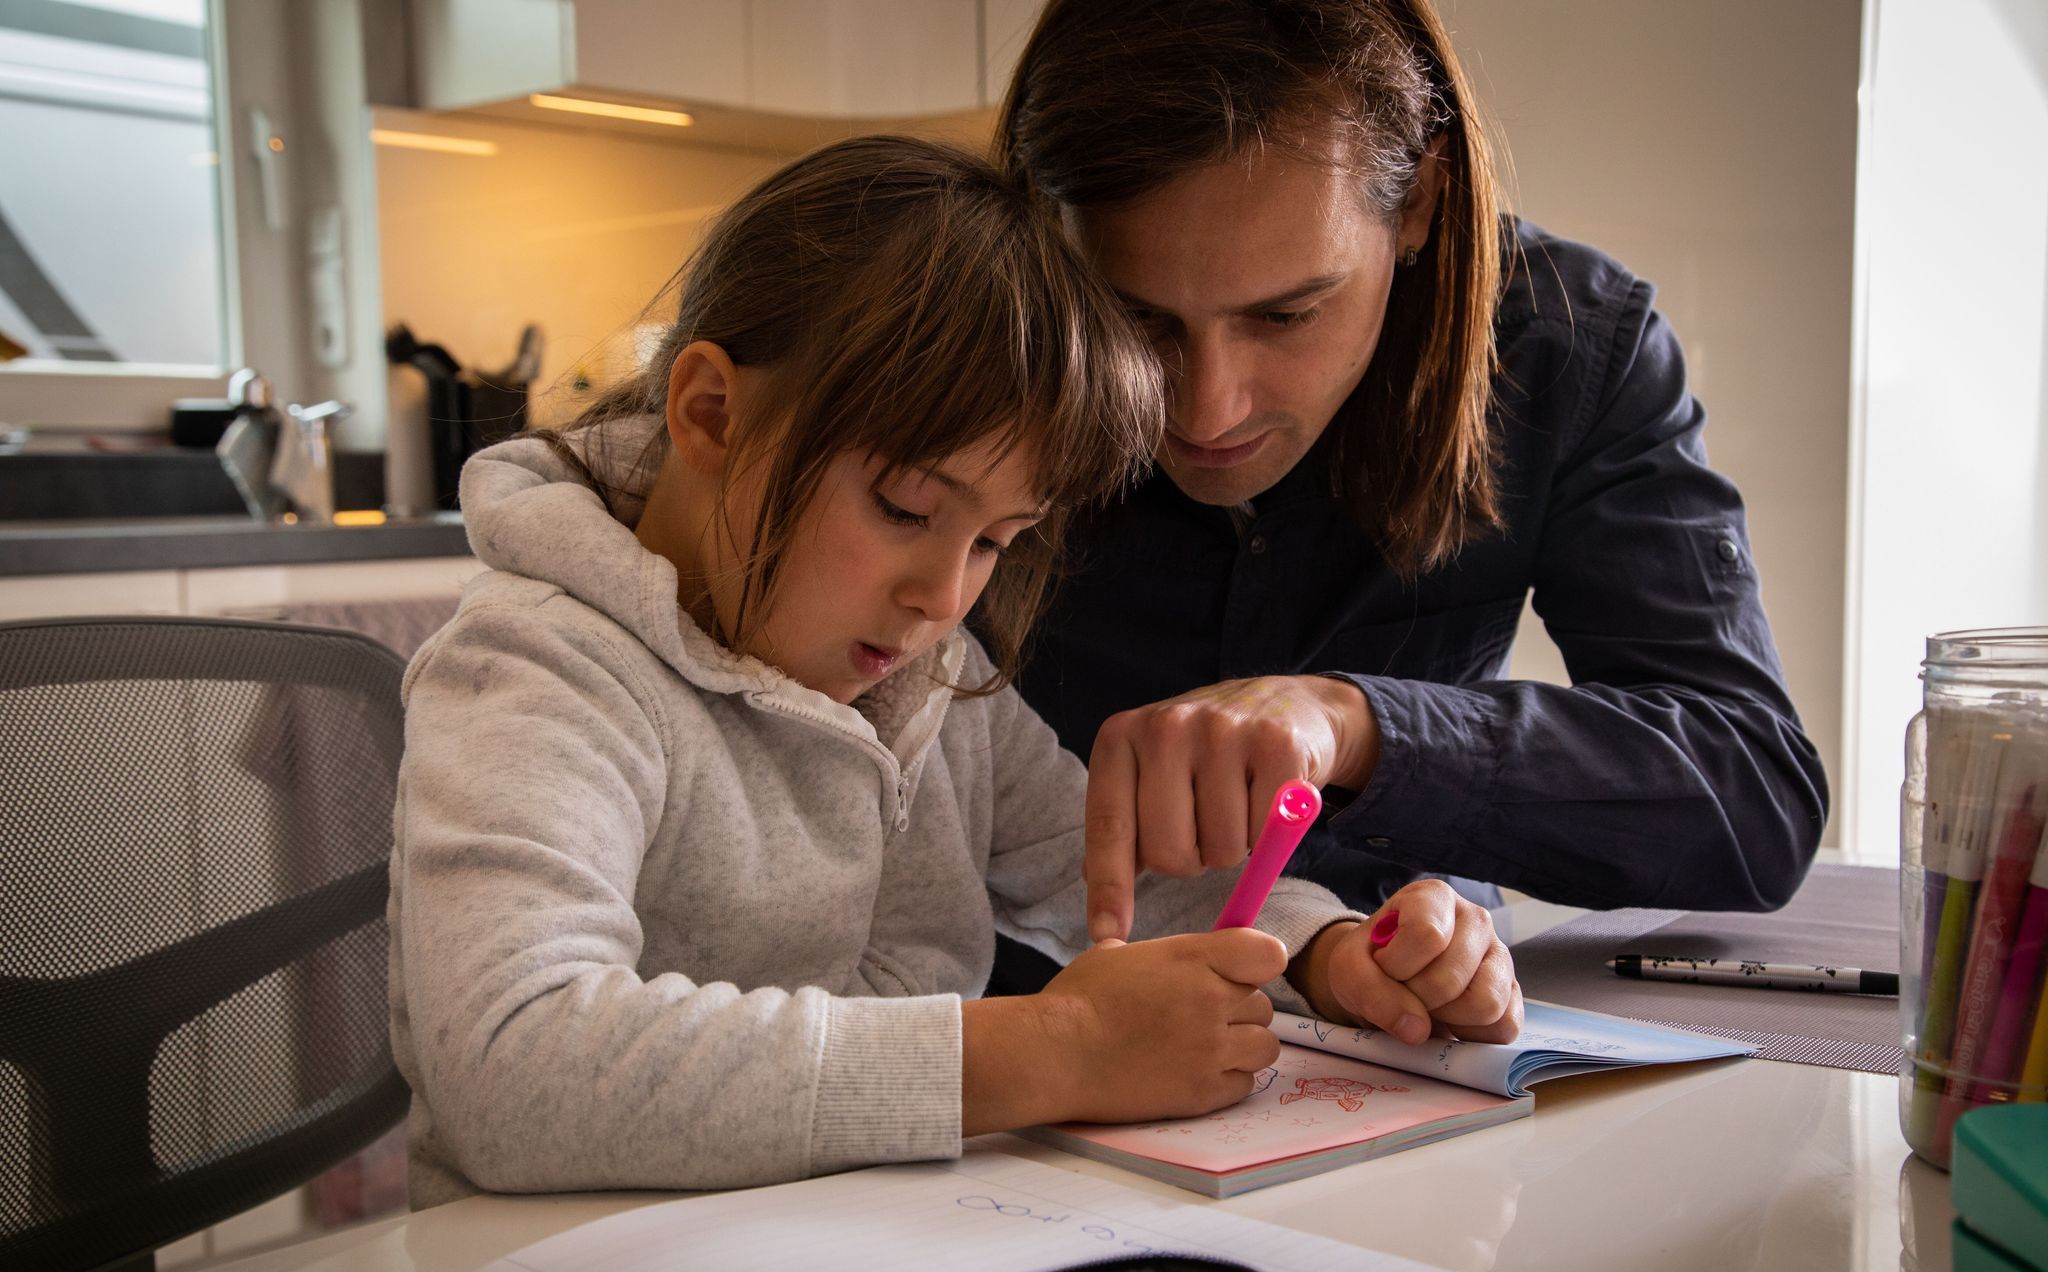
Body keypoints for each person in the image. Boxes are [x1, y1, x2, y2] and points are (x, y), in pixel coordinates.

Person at [387, 136, 1522, 1208]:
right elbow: (509, 1064)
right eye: (905, 509)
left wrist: (1329, 953)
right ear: (710, 413)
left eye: (994, 542)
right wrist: (1051, 1048)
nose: (943, 596)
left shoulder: (926, 681)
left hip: (872, 1254)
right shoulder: (543, 671)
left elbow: (1121, 879)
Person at [987, 0, 1830, 990]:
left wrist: (1360, 729)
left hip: (1411, 1021)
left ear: (1421, 199)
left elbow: (1748, 795)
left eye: (1286, 313)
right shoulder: (966, 344)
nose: (1206, 410)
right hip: (1013, 1037)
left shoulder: (1564, 350)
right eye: (1137, 319)